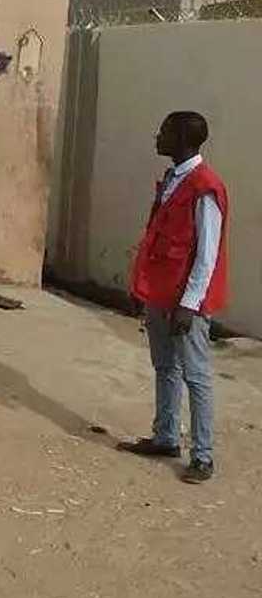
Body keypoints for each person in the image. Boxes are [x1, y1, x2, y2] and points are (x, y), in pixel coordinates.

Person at [120, 111, 228, 484]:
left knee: (195, 376)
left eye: (164, 130)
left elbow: (207, 253)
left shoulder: (204, 187)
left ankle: (203, 455)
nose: (157, 136)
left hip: (185, 301)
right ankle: (166, 436)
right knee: (165, 367)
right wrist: (141, 288)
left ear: (182, 138)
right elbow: (156, 237)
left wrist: (189, 304)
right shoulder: (173, 180)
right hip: (160, 293)